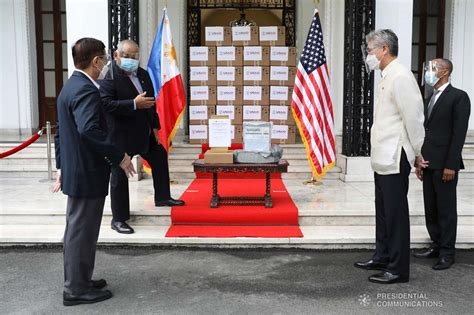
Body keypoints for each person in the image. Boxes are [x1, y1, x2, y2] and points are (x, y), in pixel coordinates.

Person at [52, 37, 136, 306]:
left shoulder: (70, 86)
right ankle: (75, 289)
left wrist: (61, 166)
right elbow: (89, 129)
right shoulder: (87, 90)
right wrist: (120, 156)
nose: (106, 65)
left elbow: (59, 133)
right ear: (96, 61)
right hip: (87, 172)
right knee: (81, 232)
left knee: (79, 230)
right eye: (104, 59)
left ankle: (81, 279)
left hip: (78, 170)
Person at [353, 29, 426, 284]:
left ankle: (398, 269)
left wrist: (418, 153)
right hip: (383, 158)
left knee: (395, 215)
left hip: (395, 158)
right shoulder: (386, 76)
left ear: (384, 50)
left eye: (371, 49)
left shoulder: (401, 77)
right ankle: (382, 256)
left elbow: (414, 119)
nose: (368, 54)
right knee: (383, 212)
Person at [99, 39, 184, 235]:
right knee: (119, 176)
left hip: (144, 132)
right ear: (116, 55)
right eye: (127, 56)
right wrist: (133, 104)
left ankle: (162, 196)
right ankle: (119, 219)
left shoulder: (143, 74)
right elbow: (106, 105)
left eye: (135, 56)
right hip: (120, 136)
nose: (131, 60)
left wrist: (155, 127)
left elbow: (151, 104)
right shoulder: (109, 77)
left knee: (159, 156)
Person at [413, 58, 471, 270]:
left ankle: (447, 252)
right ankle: (436, 244)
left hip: (445, 164)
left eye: (433, 67)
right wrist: (419, 160)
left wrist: (451, 165)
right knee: (431, 208)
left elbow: (458, 134)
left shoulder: (459, 97)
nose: (428, 71)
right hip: (428, 162)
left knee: (446, 210)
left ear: (444, 71)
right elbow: (425, 131)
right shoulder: (430, 97)